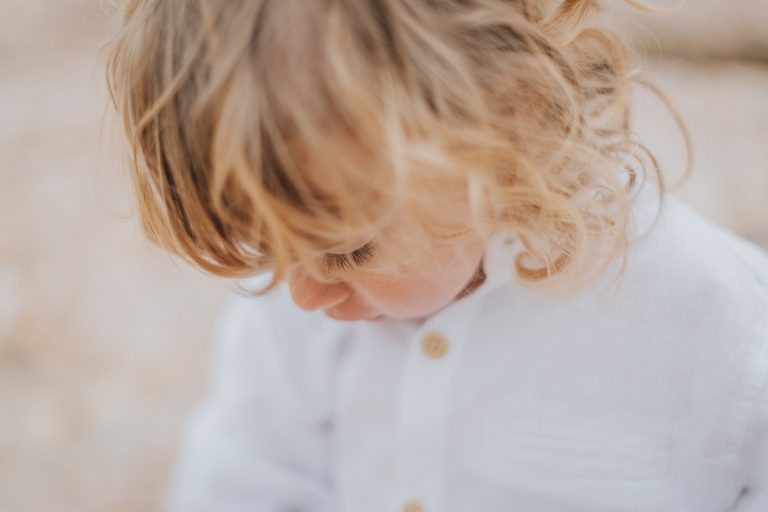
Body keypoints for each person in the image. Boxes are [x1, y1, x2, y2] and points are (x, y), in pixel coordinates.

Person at [105, 0, 768, 510]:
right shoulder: (295, 306)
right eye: (270, 248)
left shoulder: (717, 329)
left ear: (511, 121)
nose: (303, 295)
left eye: (347, 249)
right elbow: (242, 476)